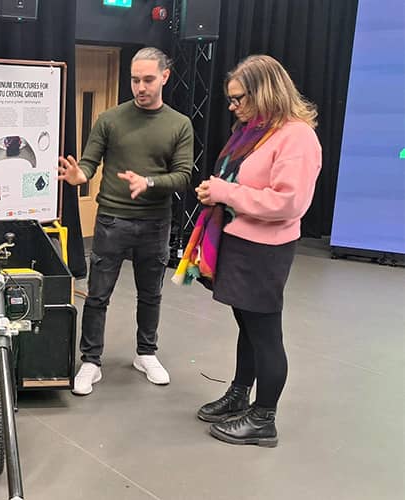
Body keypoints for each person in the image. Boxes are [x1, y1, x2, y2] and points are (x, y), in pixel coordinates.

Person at [193, 55, 321, 447]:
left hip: (265, 251)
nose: (234, 108)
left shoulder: (296, 136)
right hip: (241, 242)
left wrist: (225, 191)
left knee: (265, 333)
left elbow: (289, 203)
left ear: (264, 91)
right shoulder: (258, 131)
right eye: (231, 100)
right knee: (247, 327)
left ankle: (264, 418)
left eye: (239, 99)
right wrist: (218, 192)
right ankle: (240, 394)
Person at [58, 47, 193, 395]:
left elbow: (182, 176)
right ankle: (90, 361)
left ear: (165, 76)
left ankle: (146, 353)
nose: (140, 86)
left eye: (148, 79)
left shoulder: (179, 124)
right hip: (112, 221)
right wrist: (79, 176)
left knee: (151, 294)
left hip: (155, 223)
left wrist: (149, 182)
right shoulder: (110, 119)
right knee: (98, 294)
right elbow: (89, 163)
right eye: (135, 79)